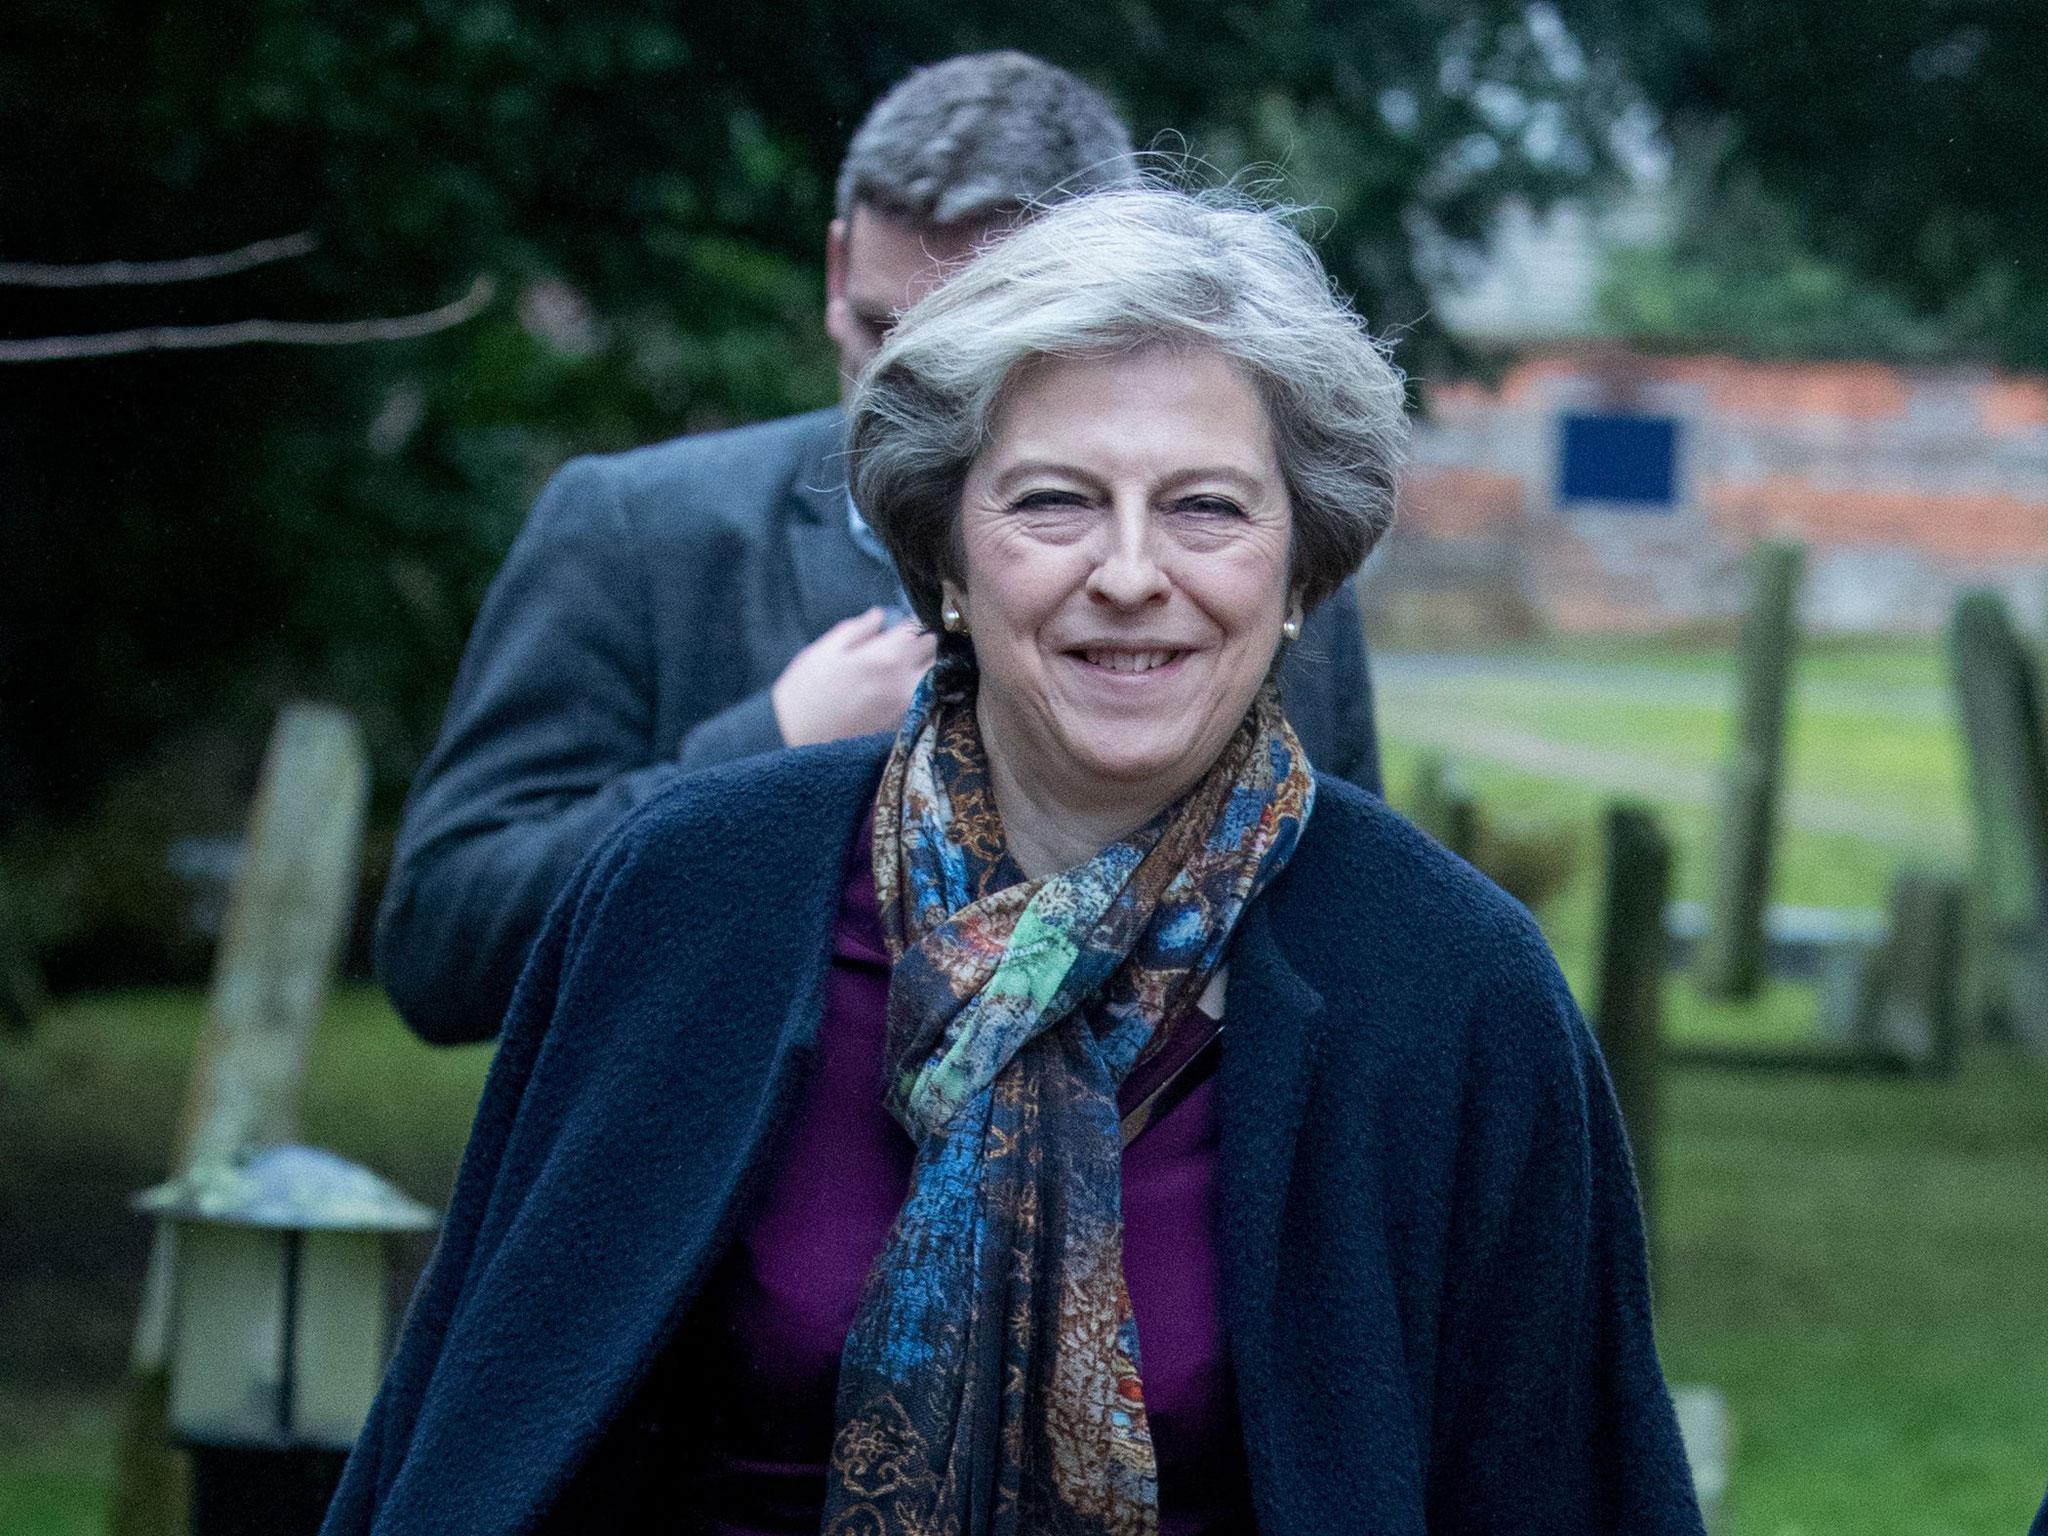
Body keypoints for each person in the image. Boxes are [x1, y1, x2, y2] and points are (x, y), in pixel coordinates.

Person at [322, 186, 1703, 1536]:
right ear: (943, 561)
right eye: (1053, 502)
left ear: (1302, 577)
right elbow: (479, 1430)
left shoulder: (1448, 985)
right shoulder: (688, 898)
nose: (1128, 571)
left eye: (1207, 509)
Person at [374, 52, 1384, 1048]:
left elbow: (1342, 959)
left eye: (972, 345)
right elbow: (442, 953)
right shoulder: (636, 532)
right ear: (833, 267)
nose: (906, 388)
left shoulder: (1241, 571)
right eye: (878, 330)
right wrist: (763, 741)